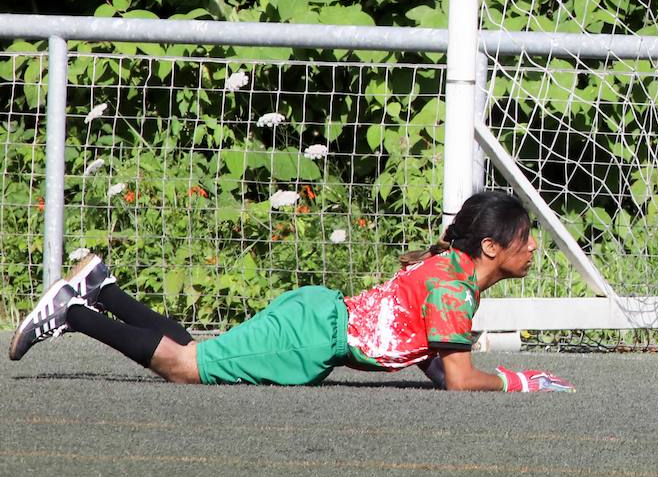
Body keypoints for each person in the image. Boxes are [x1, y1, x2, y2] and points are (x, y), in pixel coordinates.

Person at [9, 190, 573, 393]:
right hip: (312, 336)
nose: (532, 248)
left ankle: (101, 287)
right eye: (523, 238)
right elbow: (461, 380)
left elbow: (432, 357)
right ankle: (75, 313)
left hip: (316, 320)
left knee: (197, 354)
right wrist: (522, 381)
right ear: (491, 248)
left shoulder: (448, 268)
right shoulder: (454, 288)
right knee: (185, 367)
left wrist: (451, 370)